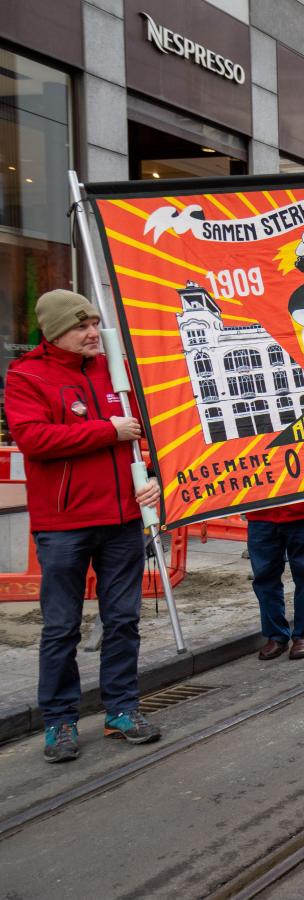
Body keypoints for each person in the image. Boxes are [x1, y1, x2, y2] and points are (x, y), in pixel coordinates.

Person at [6, 290, 164, 762]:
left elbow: (145, 436)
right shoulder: (26, 375)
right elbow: (33, 439)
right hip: (64, 524)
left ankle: (121, 709)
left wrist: (152, 477)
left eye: (95, 323)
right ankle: (59, 720)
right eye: (81, 326)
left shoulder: (115, 370)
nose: (93, 332)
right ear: (55, 332)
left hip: (122, 518)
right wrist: (108, 430)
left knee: (123, 621)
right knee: (61, 627)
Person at [247, 499, 304, 661]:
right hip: (260, 512)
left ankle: (303, 635)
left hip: (303, 510)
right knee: (264, 578)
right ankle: (276, 635)